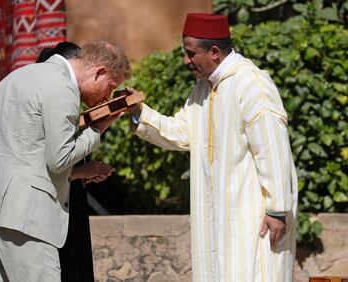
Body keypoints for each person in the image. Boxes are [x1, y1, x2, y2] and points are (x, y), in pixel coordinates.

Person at [128, 13, 298, 281]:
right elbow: (184, 132)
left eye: (190, 53)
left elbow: (272, 150)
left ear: (215, 52)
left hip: (252, 217)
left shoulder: (252, 84)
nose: (186, 61)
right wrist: (139, 113)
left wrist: (277, 209)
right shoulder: (203, 89)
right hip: (215, 213)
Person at [0, 40, 131, 281]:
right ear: (99, 72)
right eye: (111, 86)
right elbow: (60, 158)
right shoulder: (64, 87)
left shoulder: (18, 75)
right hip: (25, 218)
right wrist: (98, 127)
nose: (107, 96)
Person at [36, 41, 110, 282]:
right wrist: (82, 170)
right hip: (52, 208)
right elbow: (48, 163)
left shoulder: (67, 101)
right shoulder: (53, 96)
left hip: (71, 203)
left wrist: (85, 171)